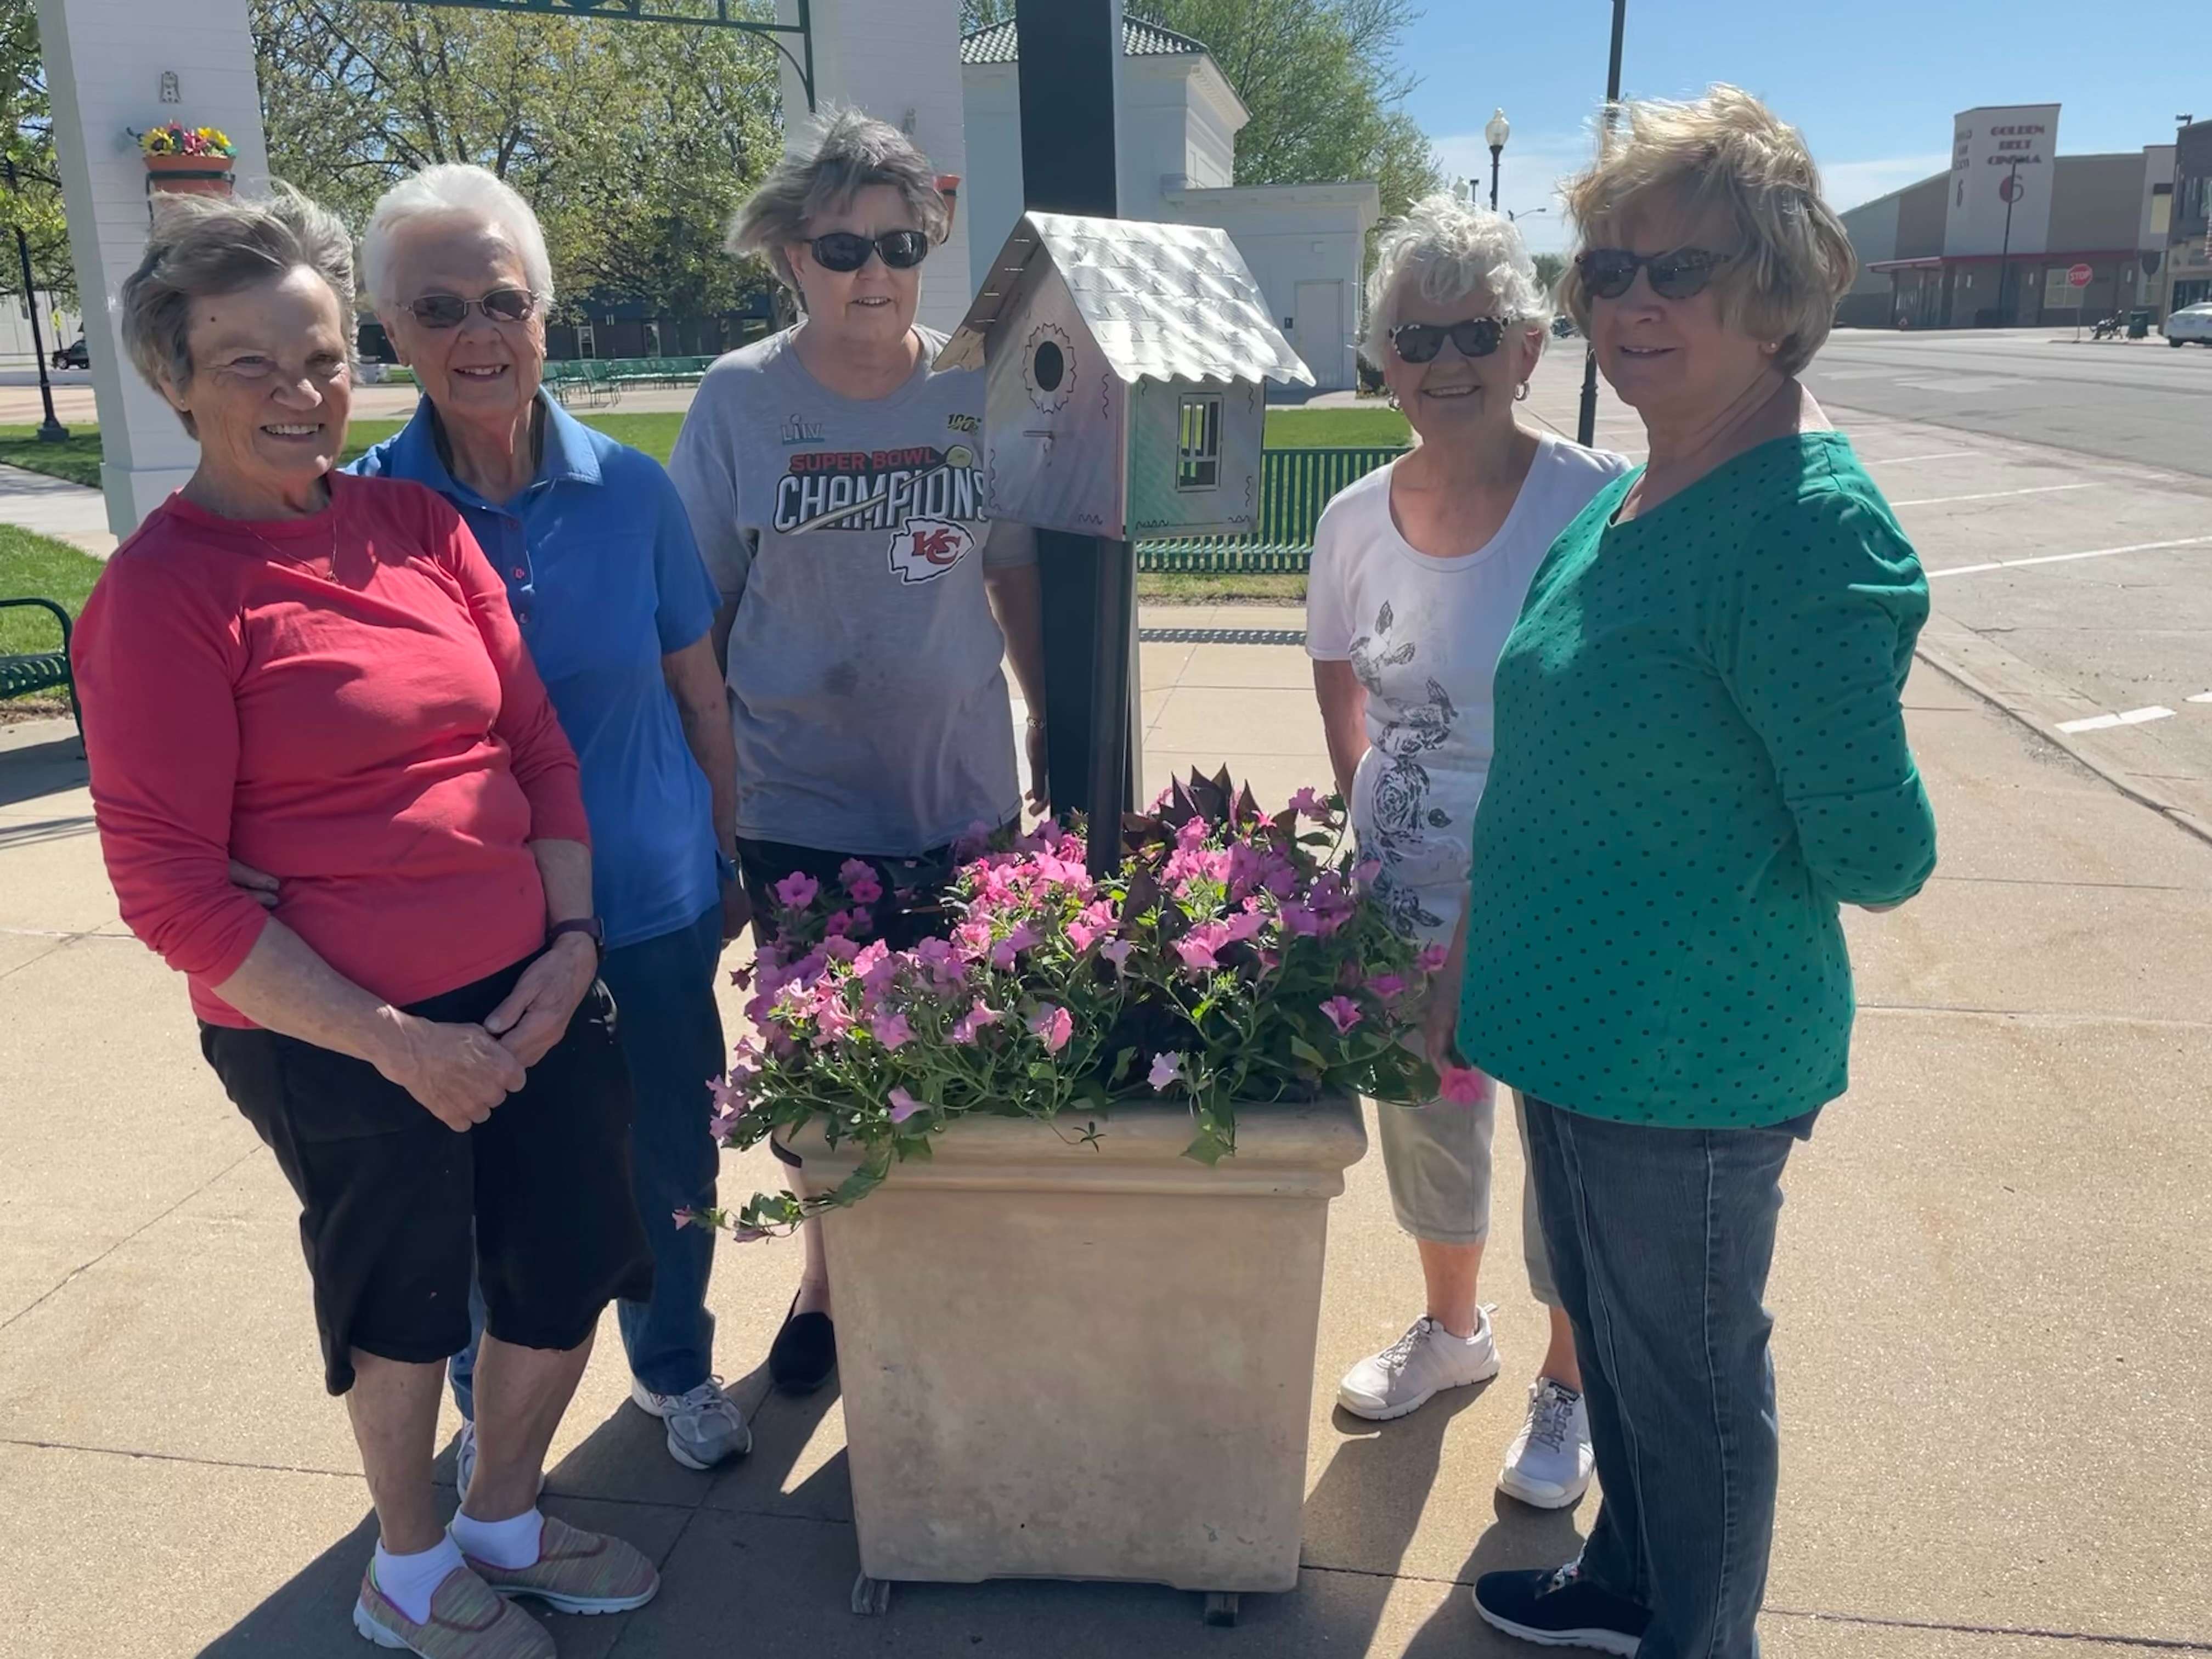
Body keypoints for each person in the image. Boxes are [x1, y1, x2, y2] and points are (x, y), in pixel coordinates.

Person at [74, 188, 659, 1659]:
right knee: (399, 1297)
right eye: (252, 363)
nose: (301, 394)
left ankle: (505, 1516)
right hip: (327, 1025)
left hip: (530, 981)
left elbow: (533, 750)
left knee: (572, 1251)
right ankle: (406, 1570)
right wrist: (399, 1045)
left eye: (323, 357)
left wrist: (574, 944)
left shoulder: (410, 523)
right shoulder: (159, 598)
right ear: (176, 378)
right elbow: (170, 891)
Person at [1444, 88, 1939, 1656]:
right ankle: (1628, 1589)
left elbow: (1882, 852)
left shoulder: (1800, 525)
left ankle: (1695, 1638)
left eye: (1681, 270)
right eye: (1608, 268)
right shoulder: (1649, 484)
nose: (1633, 303)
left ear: (1776, 290)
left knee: (1699, 1387)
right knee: (1634, 1365)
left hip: (1687, 1060)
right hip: (1578, 1040)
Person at [340, 162, 752, 1480]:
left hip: (647, 902)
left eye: (502, 301)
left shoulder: (631, 492)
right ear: (390, 331)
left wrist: (729, 855)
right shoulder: (362, 512)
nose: (477, 335)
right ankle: (482, 1404)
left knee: (671, 1157)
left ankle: (674, 1367)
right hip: (459, 934)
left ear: (545, 314)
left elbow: (701, 691)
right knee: (481, 1189)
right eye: (437, 307)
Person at [668, 109, 1047, 1396]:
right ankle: (828, 1288)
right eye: (840, 248)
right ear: (789, 256)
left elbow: (1012, 571)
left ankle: (943, 1286)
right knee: (826, 1072)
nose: (873, 273)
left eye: (901, 242)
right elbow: (696, 618)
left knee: (971, 1050)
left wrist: (1051, 716)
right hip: (800, 801)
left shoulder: (973, 383)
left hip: (959, 798)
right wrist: (707, 808)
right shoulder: (739, 401)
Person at [1308, 193, 1627, 1510]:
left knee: (1564, 1150)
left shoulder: (1597, 504)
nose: (1445, 363)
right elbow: (1340, 677)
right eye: (1414, 336)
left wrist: (1489, 910)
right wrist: (1366, 815)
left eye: (1475, 332)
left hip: (1555, 895)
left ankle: (1569, 1383)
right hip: (1403, 889)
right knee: (1430, 1123)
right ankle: (1455, 1334)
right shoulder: (1351, 516)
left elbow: (1612, 734)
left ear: (1530, 347)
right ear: (1381, 359)